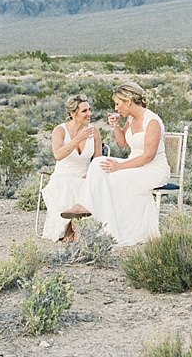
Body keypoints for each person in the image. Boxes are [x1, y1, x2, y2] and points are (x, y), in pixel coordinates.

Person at [65, 82, 169, 246]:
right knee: (99, 163)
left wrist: (119, 167)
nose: (116, 107)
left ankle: (111, 229)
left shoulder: (152, 122)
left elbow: (148, 156)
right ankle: (84, 206)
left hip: (152, 169)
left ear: (128, 101)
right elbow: (121, 143)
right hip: (133, 163)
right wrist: (116, 126)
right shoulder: (131, 118)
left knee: (113, 178)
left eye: (117, 103)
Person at [40, 94, 102, 242]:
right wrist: (78, 138)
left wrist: (91, 175)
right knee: (67, 183)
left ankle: (75, 225)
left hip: (85, 176)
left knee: (86, 184)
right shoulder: (60, 130)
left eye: (89, 109)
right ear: (73, 114)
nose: (90, 114)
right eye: (85, 111)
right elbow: (58, 155)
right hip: (63, 175)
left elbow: (98, 160)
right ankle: (69, 227)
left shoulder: (94, 132)